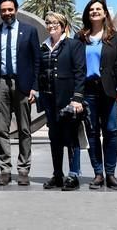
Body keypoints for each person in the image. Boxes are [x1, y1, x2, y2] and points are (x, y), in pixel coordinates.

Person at [76, 0, 117, 191]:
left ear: (105, 13)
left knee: (110, 131)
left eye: (98, 9)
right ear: (87, 14)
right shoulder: (80, 37)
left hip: (108, 91)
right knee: (92, 133)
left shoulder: (114, 37)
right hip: (88, 91)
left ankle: (111, 173)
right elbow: (77, 66)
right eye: (91, 9)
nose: (95, 12)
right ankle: (98, 174)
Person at [0, 0, 41, 186]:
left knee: (24, 129)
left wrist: (35, 87)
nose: (7, 13)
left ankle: (24, 169)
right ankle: (5, 169)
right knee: (2, 129)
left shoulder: (29, 31)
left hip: (23, 85)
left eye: (10, 9)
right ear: (0, 12)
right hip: (1, 84)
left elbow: (37, 61)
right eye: (3, 10)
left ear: (16, 10)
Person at [38, 11, 86, 191]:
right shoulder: (43, 47)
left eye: (55, 23)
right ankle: (57, 174)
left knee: (71, 137)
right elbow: (39, 72)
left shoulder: (74, 45)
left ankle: (73, 175)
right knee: (55, 138)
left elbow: (80, 73)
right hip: (49, 99)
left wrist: (77, 98)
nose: (51, 26)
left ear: (63, 25)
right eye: (49, 23)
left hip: (68, 99)